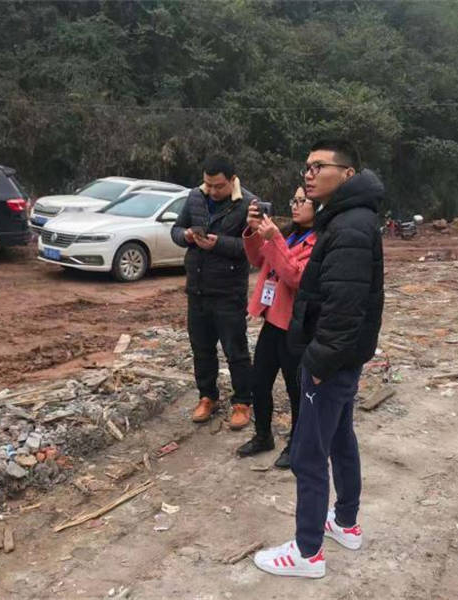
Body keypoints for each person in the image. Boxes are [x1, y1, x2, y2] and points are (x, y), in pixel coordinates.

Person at [253, 139, 384, 578]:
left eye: (318, 167)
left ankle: (307, 552)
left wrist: (319, 364)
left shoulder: (349, 228)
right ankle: (345, 522)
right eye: (306, 167)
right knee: (341, 438)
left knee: (309, 454)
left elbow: (344, 308)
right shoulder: (347, 218)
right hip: (342, 358)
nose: (308, 175)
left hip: (331, 360)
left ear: (347, 174)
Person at [171, 155, 256, 430]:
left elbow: (253, 249)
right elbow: (175, 229)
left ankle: (243, 402)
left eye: (218, 186)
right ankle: (207, 397)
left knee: (235, 351)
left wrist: (219, 244)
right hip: (197, 289)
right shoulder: (195, 197)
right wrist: (185, 236)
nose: (212, 191)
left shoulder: (248, 205)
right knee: (201, 349)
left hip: (228, 292)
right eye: (208, 184)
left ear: (232, 181)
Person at [236, 186, 317, 468]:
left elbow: (296, 277)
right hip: (272, 321)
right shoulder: (289, 233)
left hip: (295, 326)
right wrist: (254, 231)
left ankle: (297, 443)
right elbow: (258, 260)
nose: (295, 205)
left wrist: (275, 239)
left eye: (303, 201)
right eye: (294, 200)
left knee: (296, 389)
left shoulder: (318, 242)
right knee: (259, 382)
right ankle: (263, 435)